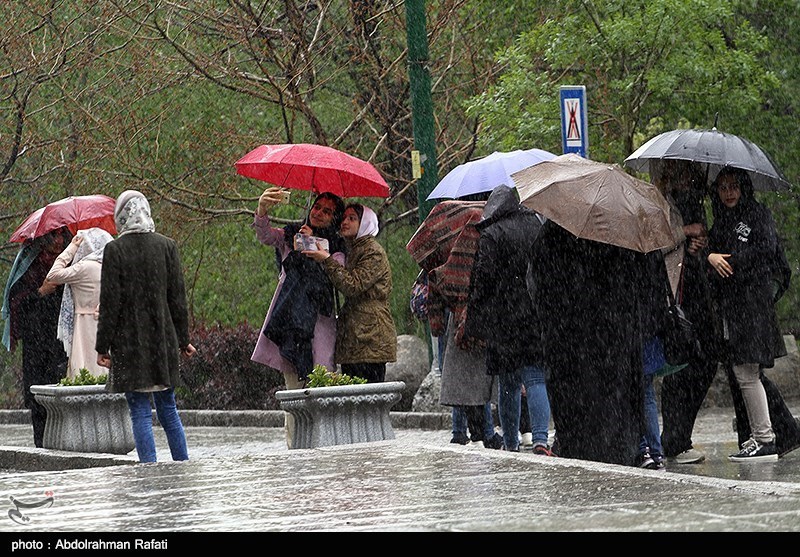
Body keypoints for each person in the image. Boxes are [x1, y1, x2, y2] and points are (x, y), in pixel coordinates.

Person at [528, 219, 646, 466]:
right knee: (613, 401)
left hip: (570, 341)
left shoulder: (551, 235)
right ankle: (617, 452)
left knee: (577, 403)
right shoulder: (620, 233)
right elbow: (636, 284)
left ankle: (583, 451)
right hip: (613, 340)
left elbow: (540, 287)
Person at [95, 190, 196, 463]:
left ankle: (148, 466)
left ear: (121, 217)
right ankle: (181, 462)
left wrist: (102, 346)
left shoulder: (115, 250)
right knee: (168, 409)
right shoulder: (167, 246)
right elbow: (177, 298)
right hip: (162, 341)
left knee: (139, 410)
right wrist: (183, 338)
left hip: (129, 343)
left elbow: (110, 303)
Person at [706, 167, 792, 461]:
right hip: (733, 308)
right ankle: (763, 436)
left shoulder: (758, 215)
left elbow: (766, 251)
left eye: (734, 187)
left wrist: (730, 262)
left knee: (747, 372)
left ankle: (765, 438)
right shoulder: (720, 222)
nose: (729, 193)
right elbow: (712, 259)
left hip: (754, 306)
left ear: (743, 188)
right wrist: (710, 256)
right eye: (723, 188)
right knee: (745, 371)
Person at [250, 187, 345, 446]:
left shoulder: (336, 245)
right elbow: (266, 236)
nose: (320, 213)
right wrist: (262, 211)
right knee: (293, 391)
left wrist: (314, 245)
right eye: (317, 207)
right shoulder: (291, 233)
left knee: (321, 382)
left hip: (319, 323)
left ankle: (322, 445)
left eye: (328, 211)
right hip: (290, 321)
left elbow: (338, 271)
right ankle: (296, 447)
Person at [464, 185, 552, 455]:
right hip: (535, 315)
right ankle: (540, 438)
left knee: (508, 384)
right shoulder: (536, 225)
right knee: (535, 378)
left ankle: (511, 442)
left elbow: (483, 280)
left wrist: (474, 321)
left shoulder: (492, 233)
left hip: (503, 319)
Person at [653, 160, 719, 465]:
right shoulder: (659, 204)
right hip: (673, 294)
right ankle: (675, 440)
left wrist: (699, 243)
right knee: (680, 367)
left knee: (702, 362)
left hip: (694, 289)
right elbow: (653, 244)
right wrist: (685, 231)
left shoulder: (693, 201)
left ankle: (679, 437)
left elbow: (692, 245)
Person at [303, 203, 396, 382]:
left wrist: (327, 260)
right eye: (344, 218)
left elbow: (353, 286)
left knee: (368, 399)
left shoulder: (372, 252)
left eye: (352, 218)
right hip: (354, 339)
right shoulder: (353, 249)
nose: (345, 222)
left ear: (365, 223)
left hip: (369, 338)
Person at [2, 228, 71, 447]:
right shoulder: (29, 265)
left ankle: (63, 443)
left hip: (62, 339)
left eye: (62, 236)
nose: (58, 241)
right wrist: (41, 291)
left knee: (61, 390)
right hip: (36, 340)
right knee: (38, 394)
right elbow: (17, 304)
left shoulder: (69, 261)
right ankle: (41, 444)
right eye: (54, 237)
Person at [45, 227, 114, 379]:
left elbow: (52, 275)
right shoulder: (112, 267)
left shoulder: (84, 267)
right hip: (107, 322)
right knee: (104, 369)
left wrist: (71, 248)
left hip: (84, 323)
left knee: (84, 367)